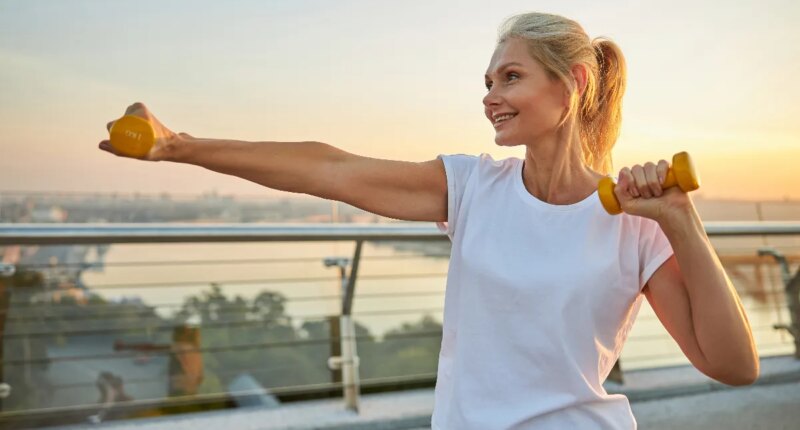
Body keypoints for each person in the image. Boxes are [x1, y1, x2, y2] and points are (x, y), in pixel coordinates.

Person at [99, 11, 758, 430]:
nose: (490, 98)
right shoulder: (472, 188)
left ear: (575, 83)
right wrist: (177, 145)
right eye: (488, 82)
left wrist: (680, 218)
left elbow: (732, 365)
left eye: (509, 77)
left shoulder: (635, 220)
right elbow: (329, 168)